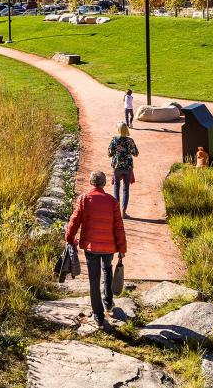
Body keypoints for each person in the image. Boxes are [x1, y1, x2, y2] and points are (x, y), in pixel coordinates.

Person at [65, 171, 127, 328]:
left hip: (91, 247)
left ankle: (98, 316)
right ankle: (108, 302)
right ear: (104, 183)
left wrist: (69, 237)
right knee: (107, 269)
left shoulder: (84, 199)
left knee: (94, 278)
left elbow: (74, 220)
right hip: (109, 246)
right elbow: (119, 227)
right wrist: (121, 248)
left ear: (92, 183)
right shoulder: (112, 202)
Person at [108, 122, 139, 217]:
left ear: (118, 130)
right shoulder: (130, 141)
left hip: (117, 166)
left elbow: (109, 153)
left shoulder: (114, 140)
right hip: (127, 166)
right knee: (126, 189)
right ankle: (124, 212)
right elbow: (136, 153)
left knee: (116, 187)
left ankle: (116, 211)